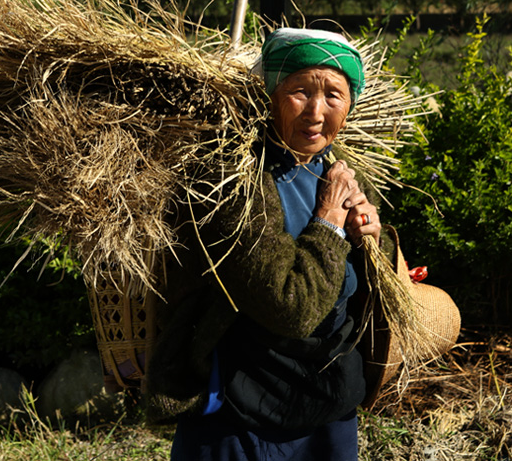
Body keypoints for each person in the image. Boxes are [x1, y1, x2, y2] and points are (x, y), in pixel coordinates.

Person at [146, 28, 386, 460]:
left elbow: (369, 285)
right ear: (270, 97)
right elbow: (289, 306)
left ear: (348, 109)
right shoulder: (233, 179)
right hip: (245, 414)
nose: (316, 111)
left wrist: (374, 238)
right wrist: (330, 223)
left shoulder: (340, 174)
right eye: (299, 92)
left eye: (333, 95)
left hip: (328, 409)